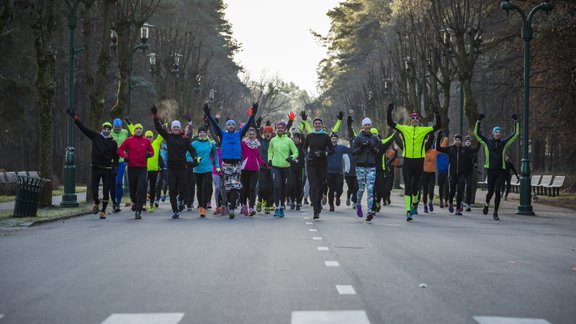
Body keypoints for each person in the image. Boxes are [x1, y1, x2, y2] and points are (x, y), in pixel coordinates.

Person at [387, 102, 441, 221]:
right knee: (408, 186)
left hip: (419, 161)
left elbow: (437, 127)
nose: (415, 120)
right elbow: (390, 123)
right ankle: (408, 211)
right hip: (408, 161)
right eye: (413, 118)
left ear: (419, 121)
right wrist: (389, 111)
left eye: (417, 118)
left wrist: (437, 114)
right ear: (410, 120)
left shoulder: (423, 130)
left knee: (416, 187)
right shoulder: (404, 129)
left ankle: (415, 203)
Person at [204, 102, 257, 219]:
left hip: (236, 165)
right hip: (226, 164)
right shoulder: (222, 134)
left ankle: (232, 209)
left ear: (235, 127)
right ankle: (226, 204)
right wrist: (208, 113)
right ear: (227, 127)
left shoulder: (239, 134)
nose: (231, 126)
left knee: (234, 187)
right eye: (229, 125)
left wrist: (253, 114)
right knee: (227, 188)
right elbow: (214, 124)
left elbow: (248, 125)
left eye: (233, 125)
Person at [66, 109, 118, 219]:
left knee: (105, 192)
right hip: (95, 167)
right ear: (102, 129)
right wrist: (75, 119)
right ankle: (96, 202)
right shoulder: (96, 136)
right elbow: (84, 129)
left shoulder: (113, 143)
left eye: (109, 129)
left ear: (111, 130)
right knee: (94, 190)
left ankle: (103, 211)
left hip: (107, 169)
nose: (107, 130)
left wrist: (115, 168)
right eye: (105, 128)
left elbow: (116, 157)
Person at [152, 105, 199, 219]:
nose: (175, 129)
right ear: (172, 128)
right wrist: (155, 116)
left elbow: (192, 150)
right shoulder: (168, 137)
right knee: (172, 189)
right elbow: (158, 128)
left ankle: (181, 199)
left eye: (177, 127)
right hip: (171, 168)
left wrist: (195, 157)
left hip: (182, 168)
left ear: (179, 128)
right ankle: (175, 210)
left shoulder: (184, 139)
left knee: (183, 188)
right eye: (174, 127)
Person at [474, 113, 520, 220]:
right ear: (493, 133)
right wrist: (478, 121)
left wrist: (516, 121)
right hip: (490, 170)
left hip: (501, 170)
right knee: (490, 192)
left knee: (498, 191)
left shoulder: (504, 143)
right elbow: (476, 134)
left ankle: (495, 212)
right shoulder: (487, 142)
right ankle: (486, 203)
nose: (498, 134)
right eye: (496, 132)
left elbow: (516, 134)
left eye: (499, 132)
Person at [117, 123, 154, 219]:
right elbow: (119, 150)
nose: (138, 130)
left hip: (142, 168)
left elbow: (152, 151)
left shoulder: (145, 141)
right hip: (132, 168)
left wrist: (148, 155)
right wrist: (125, 157)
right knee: (133, 189)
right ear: (134, 130)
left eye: (140, 129)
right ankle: (133, 201)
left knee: (141, 189)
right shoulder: (129, 140)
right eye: (137, 128)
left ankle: (138, 210)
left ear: (142, 131)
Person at [436, 131, 477, 216]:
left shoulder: (464, 149)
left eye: (459, 140)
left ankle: (458, 209)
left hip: (461, 174)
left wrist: (479, 139)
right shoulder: (450, 149)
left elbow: (476, 150)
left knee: (460, 190)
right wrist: (439, 137)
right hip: (452, 174)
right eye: (456, 140)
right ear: (453, 140)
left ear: (461, 141)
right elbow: (438, 148)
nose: (457, 141)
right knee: (453, 191)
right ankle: (450, 202)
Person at [351, 117, 382, 222]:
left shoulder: (374, 138)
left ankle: (369, 212)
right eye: (365, 125)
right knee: (361, 189)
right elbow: (353, 152)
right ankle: (358, 204)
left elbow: (378, 150)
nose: (367, 126)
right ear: (362, 126)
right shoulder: (358, 138)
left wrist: (374, 148)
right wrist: (361, 147)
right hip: (360, 166)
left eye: (369, 124)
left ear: (371, 126)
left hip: (371, 166)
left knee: (370, 189)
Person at [303, 117, 334, 220]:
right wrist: (306, 155)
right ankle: (315, 210)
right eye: (315, 123)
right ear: (313, 125)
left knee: (320, 187)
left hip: (322, 164)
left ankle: (318, 204)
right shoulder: (310, 136)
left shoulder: (325, 136)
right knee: (313, 186)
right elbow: (304, 148)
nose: (317, 125)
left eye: (319, 123)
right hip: (311, 163)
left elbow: (332, 150)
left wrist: (325, 153)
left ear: (321, 125)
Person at [268, 120, 299, 218]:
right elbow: (270, 151)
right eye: (278, 127)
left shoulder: (289, 140)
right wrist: (269, 159)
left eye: (282, 128)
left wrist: (291, 158)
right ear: (276, 128)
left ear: (285, 129)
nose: (280, 129)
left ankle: (282, 207)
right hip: (275, 166)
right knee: (276, 186)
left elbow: (296, 152)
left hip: (286, 167)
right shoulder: (273, 140)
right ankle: (276, 207)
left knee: (283, 188)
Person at [192, 126, 220, 217]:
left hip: (208, 169)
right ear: (198, 134)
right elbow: (187, 156)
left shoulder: (210, 143)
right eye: (200, 132)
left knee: (205, 187)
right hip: (197, 169)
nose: (202, 134)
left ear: (206, 133)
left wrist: (217, 166)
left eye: (203, 132)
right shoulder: (194, 144)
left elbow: (215, 156)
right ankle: (201, 207)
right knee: (199, 189)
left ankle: (204, 207)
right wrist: (195, 159)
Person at [240, 127, 267, 216]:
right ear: (247, 135)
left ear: (256, 135)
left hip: (255, 169)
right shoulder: (243, 143)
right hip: (244, 169)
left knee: (252, 189)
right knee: (244, 189)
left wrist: (265, 164)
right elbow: (240, 154)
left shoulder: (257, 144)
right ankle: (244, 205)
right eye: (250, 134)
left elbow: (258, 157)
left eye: (253, 134)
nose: (251, 136)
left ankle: (251, 207)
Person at [421, 132, 447, 213]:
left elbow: (442, 146)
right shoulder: (421, 152)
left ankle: (430, 202)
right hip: (424, 173)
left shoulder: (434, 152)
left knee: (431, 189)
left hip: (432, 173)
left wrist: (445, 137)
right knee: (425, 191)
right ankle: (425, 205)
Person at [110, 118, 130, 212]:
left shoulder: (125, 132)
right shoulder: (109, 132)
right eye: (116, 127)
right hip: (111, 161)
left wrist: (127, 155)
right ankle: (114, 202)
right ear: (113, 126)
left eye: (119, 127)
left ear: (121, 126)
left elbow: (128, 144)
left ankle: (118, 203)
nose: (117, 129)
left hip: (121, 161)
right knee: (112, 183)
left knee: (118, 182)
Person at [326, 134, 349, 212]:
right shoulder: (326, 148)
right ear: (330, 140)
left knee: (340, 189)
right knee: (331, 190)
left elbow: (351, 150)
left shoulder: (341, 148)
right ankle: (331, 205)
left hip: (338, 172)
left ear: (337, 140)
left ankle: (338, 196)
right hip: (329, 172)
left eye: (335, 139)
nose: (334, 140)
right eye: (332, 139)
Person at [257, 125, 275, 214]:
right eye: (266, 132)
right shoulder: (261, 141)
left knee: (271, 188)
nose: (268, 134)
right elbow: (256, 132)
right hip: (262, 168)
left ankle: (268, 205)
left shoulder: (275, 142)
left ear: (272, 133)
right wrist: (256, 120)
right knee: (262, 188)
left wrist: (290, 122)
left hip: (272, 168)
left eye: (269, 132)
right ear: (264, 134)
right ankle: (260, 200)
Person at [287, 131, 305, 210]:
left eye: (297, 138)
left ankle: (298, 202)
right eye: (294, 138)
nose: (295, 140)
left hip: (300, 169)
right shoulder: (290, 146)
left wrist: (302, 131)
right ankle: (292, 201)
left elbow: (304, 140)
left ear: (299, 139)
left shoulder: (302, 146)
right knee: (291, 185)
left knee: (299, 186)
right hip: (291, 168)